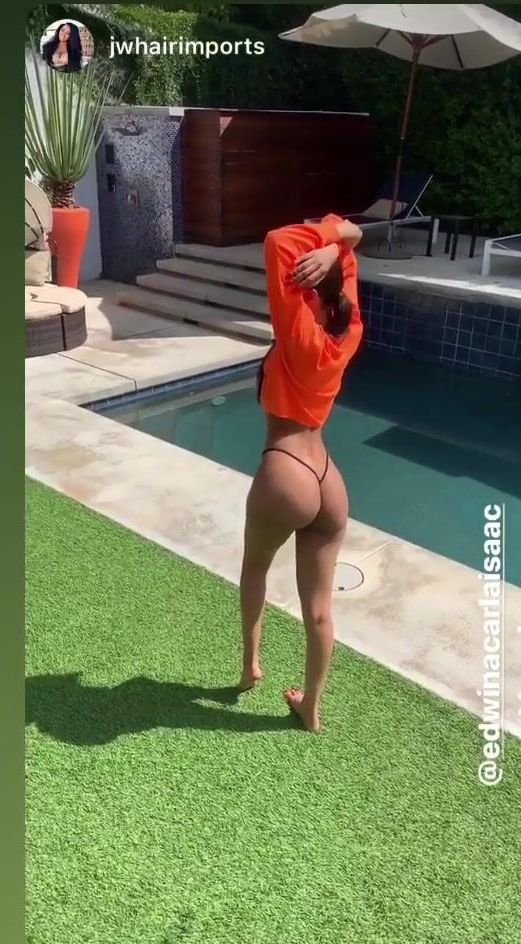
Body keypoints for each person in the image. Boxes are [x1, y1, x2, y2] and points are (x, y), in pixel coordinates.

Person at [239, 213, 364, 731]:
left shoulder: (298, 328)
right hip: (327, 478)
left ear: (308, 280)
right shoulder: (347, 325)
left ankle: (250, 667)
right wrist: (336, 246)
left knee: (255, 569)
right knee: (319, 609)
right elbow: (350, 245)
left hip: (285, 471)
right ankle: (310, 707)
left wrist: (327, 244)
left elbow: (276, 240)